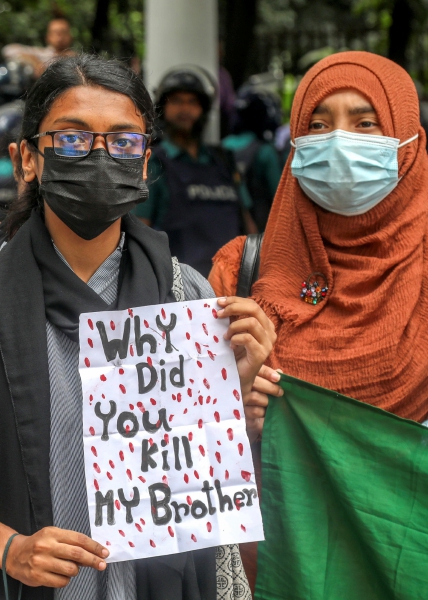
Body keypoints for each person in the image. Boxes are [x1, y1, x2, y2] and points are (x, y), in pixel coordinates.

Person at [0, 53, 276, 600]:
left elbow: (205, 478)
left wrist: (234, 401)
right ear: (25, 159)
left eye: (123, 141)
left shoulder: (188, 297)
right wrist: (10, 548)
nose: (100, 156)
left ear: (145, 162)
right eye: (73, 139)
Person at [209, 51, 428, 592]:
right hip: (265, 571)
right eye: (318, 123)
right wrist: (233, 410)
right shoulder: (240, 272)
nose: (339, 140)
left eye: (365, 122)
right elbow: (170, 444)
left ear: (408, 138)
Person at [133, 65, 255, 278]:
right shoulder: (154, 161)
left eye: (193, 102)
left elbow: (246, 220)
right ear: (163, 107)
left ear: (204, 110)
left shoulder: (224, 160)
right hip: (177, 291)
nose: (185, 109)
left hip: (232, 285)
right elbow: (138, 229)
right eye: (177, 101)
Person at [222, 86, 282, 230]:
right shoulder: (265, 151)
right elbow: (280, 198)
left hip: (225, 228)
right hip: (259, 231)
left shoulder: (222, 146)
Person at [2, 17, 74, 77]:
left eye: (63, 32)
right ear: (48, 37)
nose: (60, 37)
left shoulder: (76, 58)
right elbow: (8, 50)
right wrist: (35, 62)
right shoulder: (41, 53)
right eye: (55, 33)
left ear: (70, 36)